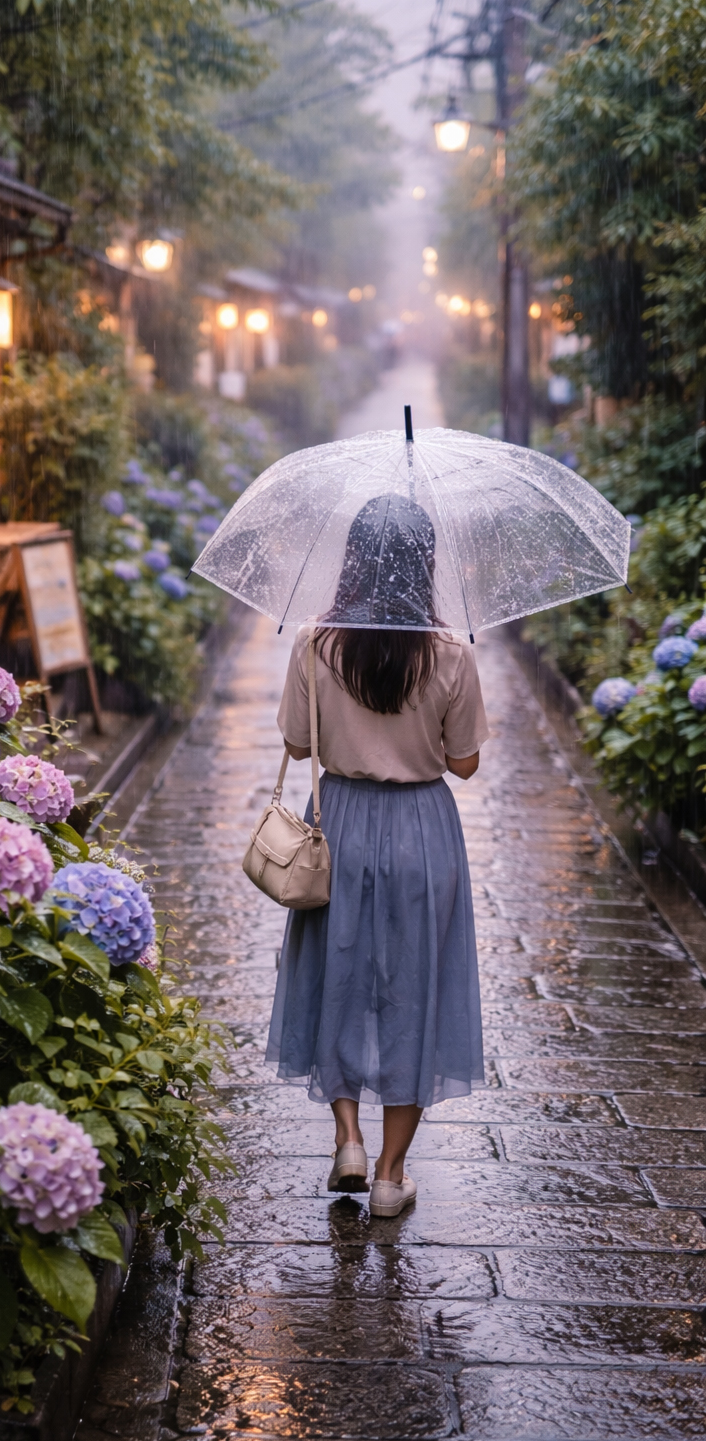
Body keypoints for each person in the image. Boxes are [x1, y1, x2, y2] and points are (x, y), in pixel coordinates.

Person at [265, 493, 488, 1218]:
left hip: (342, 826)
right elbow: (465, 764)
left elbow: (298, 746)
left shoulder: (314, 642)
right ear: (425, 565)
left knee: (337, 976)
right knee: (414, 991)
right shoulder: (451, 651)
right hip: (424, 831)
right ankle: (393, 1175)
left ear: (353, 559)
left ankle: (349, 1141)